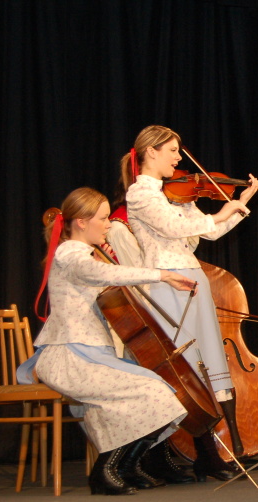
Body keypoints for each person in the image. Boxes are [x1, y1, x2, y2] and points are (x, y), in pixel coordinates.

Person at [17, 187, 195, 495]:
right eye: (103, 219)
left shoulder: (81, 253)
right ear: (82, 222)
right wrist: (162, 275)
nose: (109, 225)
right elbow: (98, 272)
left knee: (158, 390)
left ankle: (126, 467)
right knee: (154, 390)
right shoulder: (70, 254)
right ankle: (105, 469)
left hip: (91, 354)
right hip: (70, 358)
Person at [123, 125, 258, 481]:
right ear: (151, 152)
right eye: (172, 150)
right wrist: (222, 212)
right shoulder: (141, 193)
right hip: (166, 283)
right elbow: (171, 227)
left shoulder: (174, 193)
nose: (178, 158)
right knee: (182, 367)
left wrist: (242, 202)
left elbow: (208, 231)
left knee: (207, 362)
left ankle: (210, 455)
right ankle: (171, 454)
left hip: (193, 279)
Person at [104, 174, 196, 485]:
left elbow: (188, 244)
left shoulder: (152, 223)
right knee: (155, 379)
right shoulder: (119, 228)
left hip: (150, 310)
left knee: (168, 378)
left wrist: (185, 213)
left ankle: (155, 455)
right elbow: (139, 277)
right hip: (131, 318)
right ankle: (141, 458)